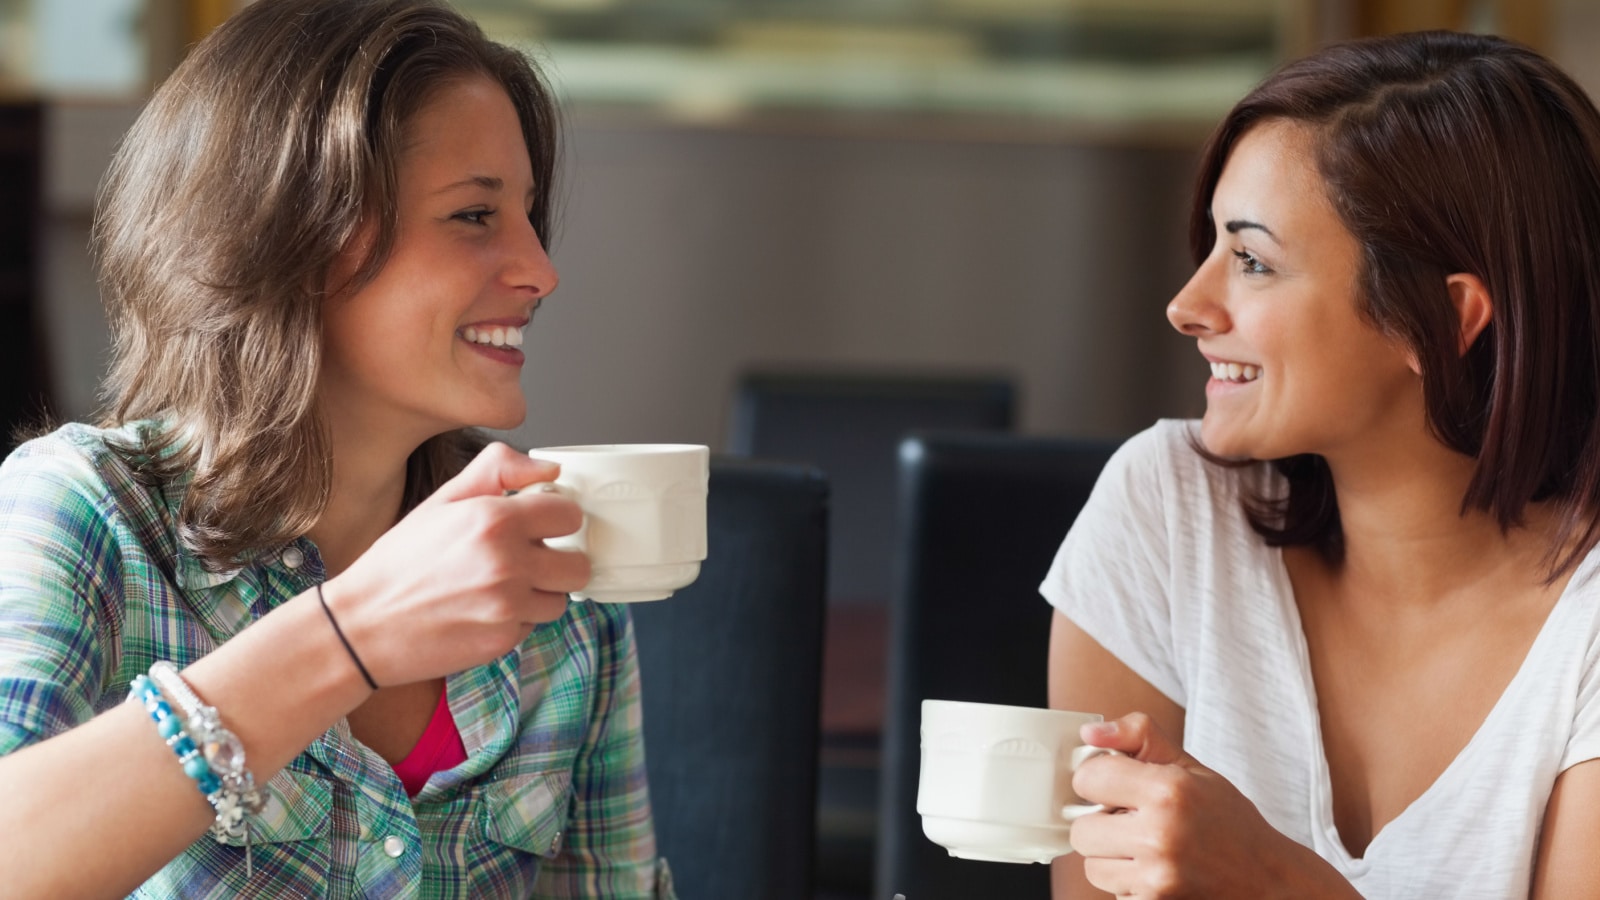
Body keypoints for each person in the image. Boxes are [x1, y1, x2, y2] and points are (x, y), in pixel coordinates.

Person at [0, 1, 676, 896]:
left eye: (526, 213)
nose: (540, 269)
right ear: (293, 234)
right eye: (475, 215)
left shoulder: (557, 587)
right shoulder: (93, 515)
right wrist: (351, 635)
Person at [1044, 30, 1600, 899]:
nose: (1187, 306)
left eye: (1254, 261)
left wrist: (1270, 881)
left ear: (1441, 320)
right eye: (1212, 247)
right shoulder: (1167, 510)